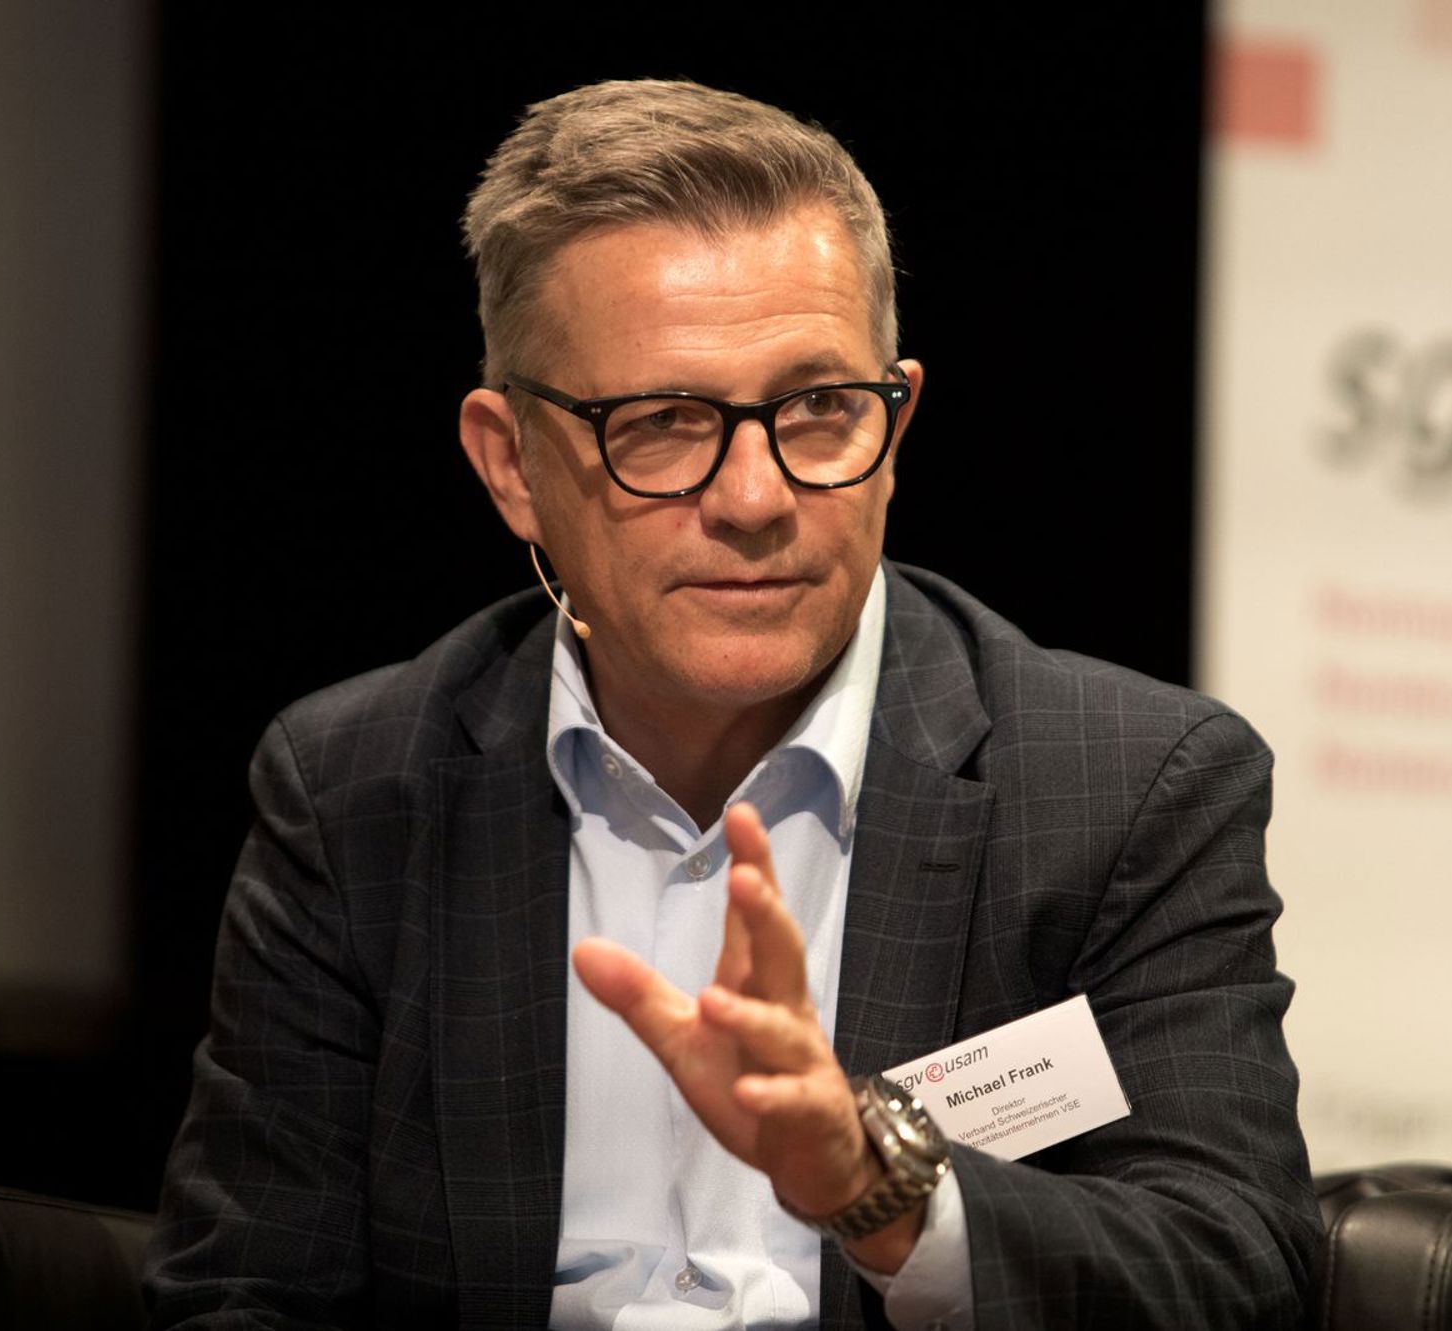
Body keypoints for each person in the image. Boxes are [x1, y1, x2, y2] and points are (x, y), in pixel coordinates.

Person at [145, 79, 1322, 1330]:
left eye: (818, 409)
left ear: (895, 423)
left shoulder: (1124, 786)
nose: (755, 497)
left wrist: (878, 1188)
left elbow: (1236, 1266)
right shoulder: (356, 790)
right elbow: (242, 1293)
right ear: (512, 464)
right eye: (662, 422)